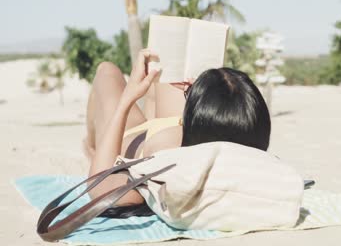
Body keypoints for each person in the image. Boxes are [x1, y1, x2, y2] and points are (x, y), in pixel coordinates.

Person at [83, 49, 271, 217]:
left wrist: (128, 98)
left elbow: (98, 185)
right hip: (174, 129)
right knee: (168, 63)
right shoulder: (243, 151)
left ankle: (91, 147)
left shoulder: (167, 170)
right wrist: (198, 92)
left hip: (127, 139)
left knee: (107, 71)